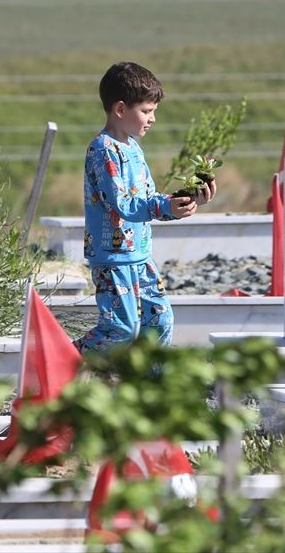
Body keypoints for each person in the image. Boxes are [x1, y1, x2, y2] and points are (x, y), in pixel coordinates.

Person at [78, 62, 215, 352]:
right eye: (146, 111)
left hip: (140, 254)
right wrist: (163, 207)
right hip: (113, 260)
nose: (152, 119)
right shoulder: (103, 149)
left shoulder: (132, 147)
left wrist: (186, 200)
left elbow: (149, 197)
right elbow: (124, 204)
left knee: (160, 321)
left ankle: (150, 386)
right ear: (120, 109)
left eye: (154, 112)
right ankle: (58, 361)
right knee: (121, 329)